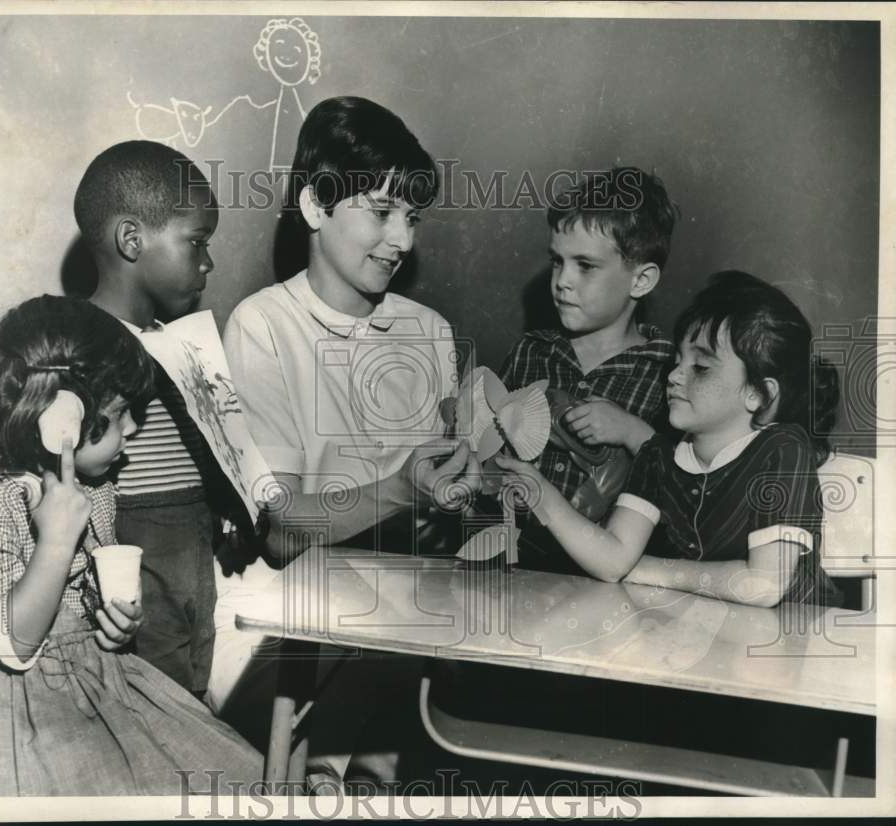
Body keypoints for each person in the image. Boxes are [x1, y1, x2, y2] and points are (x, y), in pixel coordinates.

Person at [212, 96, 481, 790]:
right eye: (381, 210)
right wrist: (402, 487)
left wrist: (473, 481)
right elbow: (280, 531)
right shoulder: (261, 327)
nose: (403, 240)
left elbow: (438, 532)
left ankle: (352, 771)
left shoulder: (430, 332)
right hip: (298, 632)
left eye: (412, 218)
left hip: (406, 633)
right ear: (314, 207)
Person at [0, 296, 262, 796]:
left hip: (95, 678)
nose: (133, 429)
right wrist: (55, 541)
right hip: (4, 706)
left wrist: (116, 621)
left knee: (235, 779)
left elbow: (85, 599)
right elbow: (10, 647)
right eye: (121, 413)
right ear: (57, 416)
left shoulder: (95, 493)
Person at [498, 271, 844, 607]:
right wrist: (542, 494)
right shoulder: (656, 457)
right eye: (678, 360)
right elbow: (612, 561)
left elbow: (763, 585)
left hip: (791, 648)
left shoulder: (783, 450)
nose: (675, 375)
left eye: (701, 367)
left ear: (758, 394)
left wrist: (651, 569)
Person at [74, 139, 238, 697]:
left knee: (196, 678)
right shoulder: (78, 338)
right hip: (132, 535)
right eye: (197, 242)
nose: (209, 262)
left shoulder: (181, 342)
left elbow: (207, 447)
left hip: (193, 534)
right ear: (131, 239)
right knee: (154, 692)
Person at [497, 167, 678, 571]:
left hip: (607, 585)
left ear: (641, 280)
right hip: (511, 568)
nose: (563, 281)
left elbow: (685, 488)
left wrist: (633, 432)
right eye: (557, 262)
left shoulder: (670, 373)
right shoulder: (531, 353)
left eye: (586, 266)